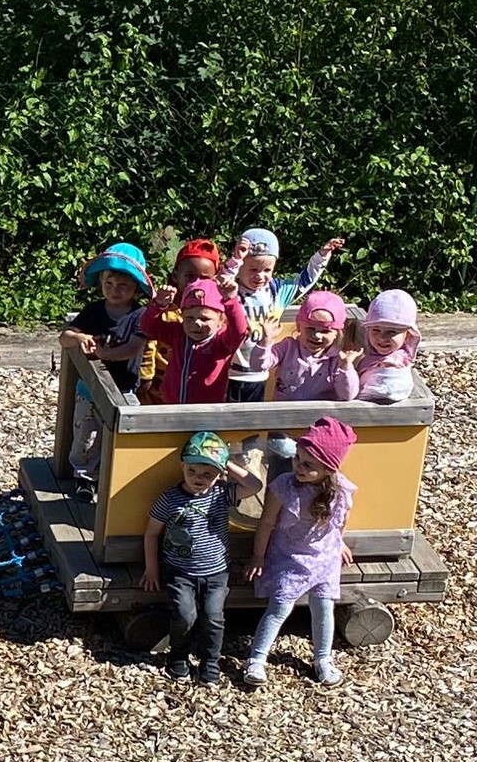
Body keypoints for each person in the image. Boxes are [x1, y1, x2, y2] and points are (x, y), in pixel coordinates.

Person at [242, 417, 359, 687]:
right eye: (297, 458)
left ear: (329, 469)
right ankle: (257, 659)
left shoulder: (340, 489)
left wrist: (339, 542)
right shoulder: (285, 487)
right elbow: (267, 522)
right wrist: (258, 555)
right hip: (290, 556)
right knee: (280, 606)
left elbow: (341, 519)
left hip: (325, 557)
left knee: (324, 607)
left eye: (308, 465)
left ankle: (323, 659)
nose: (299, 467)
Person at [141, 431, 263, 684]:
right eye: (193, 471)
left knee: (213, 617)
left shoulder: (221, 494)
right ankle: (178, 656)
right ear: (183, 467)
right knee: (185, 616)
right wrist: (152, 568)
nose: (199, 478)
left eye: (208, 473)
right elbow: (152, 533)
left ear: (219, 475)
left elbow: (254, 485)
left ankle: (210, 661)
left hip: (216, 572)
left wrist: (225, 461)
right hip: (179, 571)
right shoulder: (170, 498)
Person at [59, 243, 150, 486]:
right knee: (85, 436)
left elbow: (133, 347)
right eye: (109, 284)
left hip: (125, 387)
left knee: (125, 434)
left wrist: (104, 354)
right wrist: (79, 337)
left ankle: (115, 477)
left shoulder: (140, 315)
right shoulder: (94, 310)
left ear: (136, 289)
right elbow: (64, 337)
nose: (115, 290)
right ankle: (84, 478)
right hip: (89, 389)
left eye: (123, 285)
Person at [220, 230, 345, 403]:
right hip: (229, 371)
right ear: (241, 268)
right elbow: (220, 283)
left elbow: (305, 280)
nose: (260, 276)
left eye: (267, 270)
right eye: (253, 269)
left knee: (253, 424)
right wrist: (236, 259)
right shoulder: (232, 291)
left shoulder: (276, 291)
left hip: (262, 373)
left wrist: (322, 255)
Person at [138, 276, 250, 405]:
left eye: (205, 318)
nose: (196, 323)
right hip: (171, 404)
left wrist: (231, 301)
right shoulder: (178, 334)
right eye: (189, 318)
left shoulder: (222, 342)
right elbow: (149, 329)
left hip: (206, 410)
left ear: (221, 321)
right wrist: (158, 305)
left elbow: (239, 332)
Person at [138, 238, 224, 405]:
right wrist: (145, 375)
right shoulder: (166, 310)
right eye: (189, 276)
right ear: (176, 276)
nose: (196, 283)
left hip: (198, 391)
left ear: (214, 279)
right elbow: (149, 339)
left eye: (204, 278)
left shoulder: (215, 313)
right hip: (159, 387)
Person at [241, 289, 359, 403]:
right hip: (284, 416)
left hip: (321, 419)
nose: (317, 335)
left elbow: (347, 395)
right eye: (310, 328)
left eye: (325, 331)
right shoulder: (288, 347)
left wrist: (347, 367)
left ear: (337, 333)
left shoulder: (337, 359)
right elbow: (258, 366)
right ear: (298, 325)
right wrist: (265, 341)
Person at [356, 289, 422, 404]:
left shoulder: (392, 367)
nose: (382, 338)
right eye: (376, 330)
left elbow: (383, 392)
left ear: (408, 335)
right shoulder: (372, 355)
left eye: (391, 332)